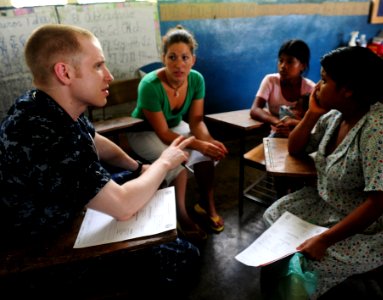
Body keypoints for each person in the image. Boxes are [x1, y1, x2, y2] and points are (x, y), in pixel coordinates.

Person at [0, 24, 199, 297]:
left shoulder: (48, 104)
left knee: (144, 182)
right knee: (184, 255)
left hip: (68, 207)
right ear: (65, 72)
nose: (109, 75)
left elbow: (95, 141)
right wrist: (164, 161)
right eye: (98, 66)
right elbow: (123, 207)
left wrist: (138, 167)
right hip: (46, 242)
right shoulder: (41, 131)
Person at [260, 46, 383, 299]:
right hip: (330, 203)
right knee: (273, 217)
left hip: (371, 227)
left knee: (302, 262)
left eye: (324, 80)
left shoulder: (381, 130)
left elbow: (379, 202)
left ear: (348, 89)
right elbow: (295, 148)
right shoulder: (337, 115)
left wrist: (324, 240)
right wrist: (311, 113)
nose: (317, 87)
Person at [127, 25, 228, 239]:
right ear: (163, 58)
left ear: (193, 60)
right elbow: (163, 133)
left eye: (185, 57)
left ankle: (206, 205)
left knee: (205, 155)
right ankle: (181, 215)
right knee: (177, 159)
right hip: (143, 132)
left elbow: (196, 121)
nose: (179, 64)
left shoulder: (196, 79)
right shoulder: (150, 85)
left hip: (173, 127)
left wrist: (208, 142)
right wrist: (197, 143)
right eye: (172, 57)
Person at [250, 39, 315, 137]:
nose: (283, 66)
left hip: (301, 136)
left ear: (303, 66)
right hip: (277, 133)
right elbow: (255, 109)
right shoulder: (270, 80)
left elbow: (315, 122)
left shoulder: (310, 88)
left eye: (290, 62)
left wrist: (293, 125)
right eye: (281, 61)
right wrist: (278, 123)